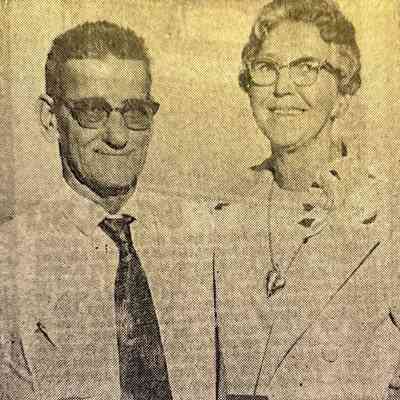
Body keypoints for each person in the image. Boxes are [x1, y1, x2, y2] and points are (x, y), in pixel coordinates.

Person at [0, 21, 219, 400]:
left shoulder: (204, 235)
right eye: (93, 111)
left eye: (135, 112)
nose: (118, 137)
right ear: (50, 119)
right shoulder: (10, 259)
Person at [214, 1, 400, 399]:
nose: (282, 88)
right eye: (267, 67)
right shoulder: (220, 218)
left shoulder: (389, 218)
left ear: (343, 94)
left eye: (306, 68)